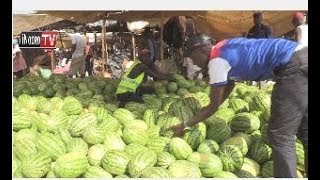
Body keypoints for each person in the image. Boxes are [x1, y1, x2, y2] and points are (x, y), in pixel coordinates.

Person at [169, 34, 308, 178]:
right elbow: (225, 91)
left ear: (201, 49)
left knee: (280, 135)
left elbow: (214, 106)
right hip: (303, 57)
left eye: (192, 57)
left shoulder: (217, 61)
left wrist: (186, 124)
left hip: (292, 65)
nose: (194, 63)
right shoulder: (224, 47)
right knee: (305, 130)